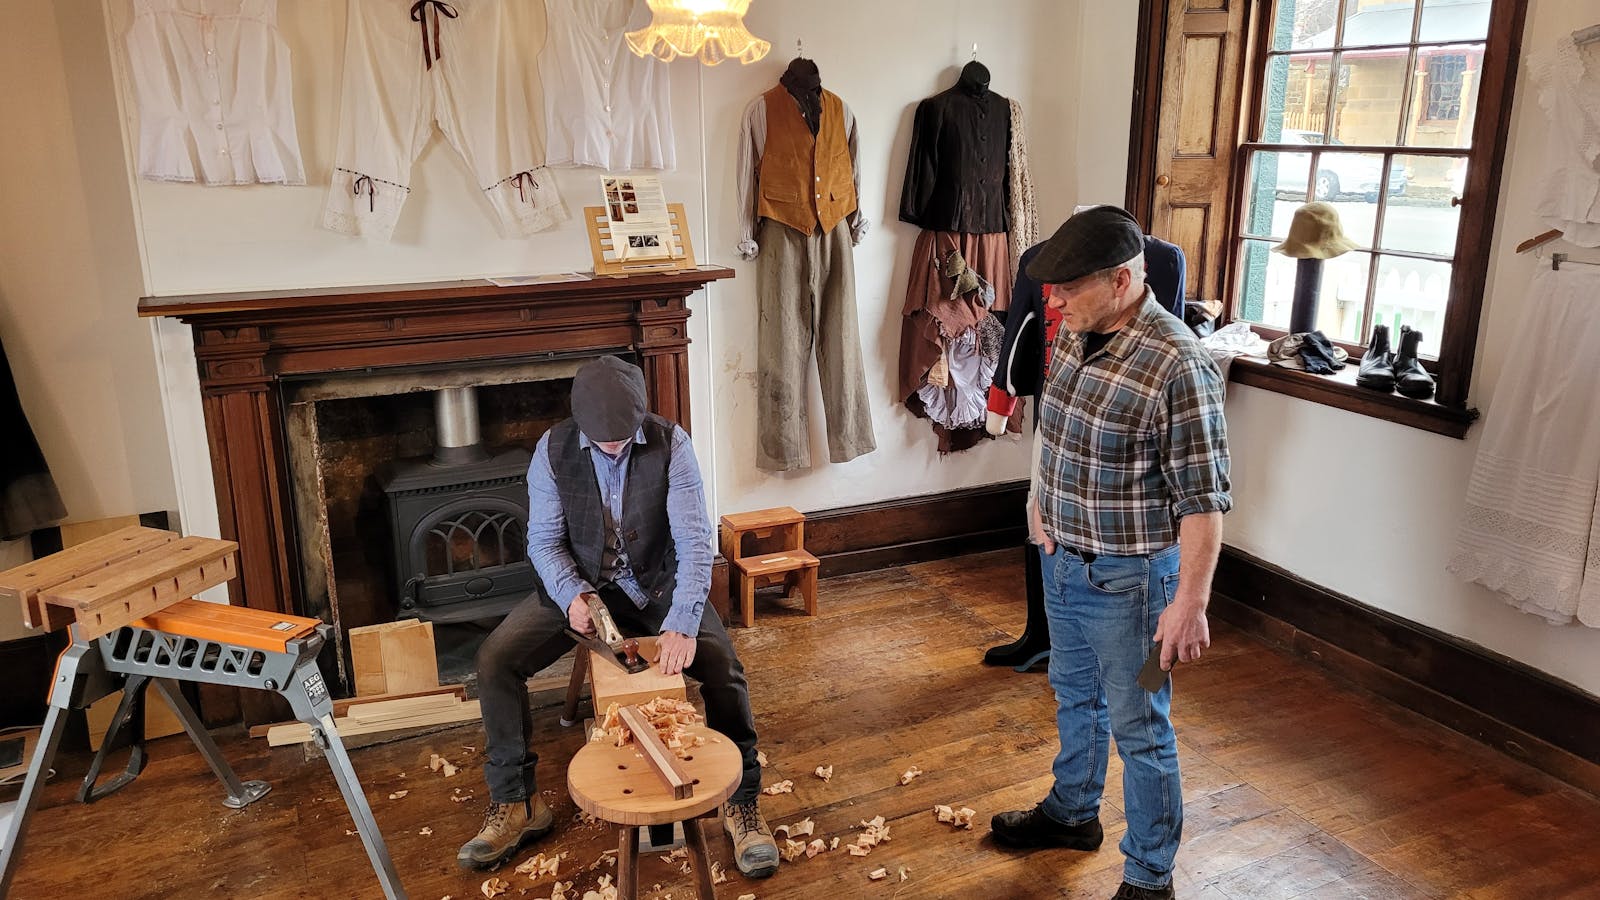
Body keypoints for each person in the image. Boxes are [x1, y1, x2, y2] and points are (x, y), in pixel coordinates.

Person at [458, 356, 780, 878]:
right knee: (495, 660)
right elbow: (543, 541)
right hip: (586, 589)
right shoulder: (552, 449)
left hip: (656, 583)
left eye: (623, 437)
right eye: (601, 438)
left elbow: (695, 542)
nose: (612, 446)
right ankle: (516, 801)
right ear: (578, 419)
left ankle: (742, 802)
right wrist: (572, 596)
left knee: (724, 669)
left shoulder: (672, 444)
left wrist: (680, 621)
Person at [989, 206, 1231, 900]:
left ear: (1123, 279)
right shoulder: (1075, 330)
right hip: (1062, 564)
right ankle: (1072, 813)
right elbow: (1061, 433)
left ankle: (1151, 878)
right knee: (1073, 697)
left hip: (1137, 588)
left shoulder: (1179, 365)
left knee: (1142, 727)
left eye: (1068, 289)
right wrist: (1041, 509)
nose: (1053, 302)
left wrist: (1189, 604)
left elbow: (1203, 501)